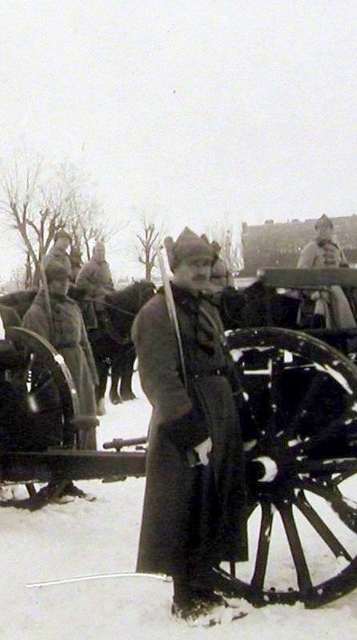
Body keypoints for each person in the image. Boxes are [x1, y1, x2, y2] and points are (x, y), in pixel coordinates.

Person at [132, 228, 249, 624]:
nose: (201, 272)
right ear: (175, 268)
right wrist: (189, 429)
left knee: (213, 500)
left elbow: (224, 362)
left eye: (205, 265)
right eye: (192, 265)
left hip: (219, 411)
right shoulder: (156, 313)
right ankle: (186, 597)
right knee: (186, 503)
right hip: (185, 415)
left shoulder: (207, 309)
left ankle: (204, 584)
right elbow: (159, 378)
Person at [23, 258, 100, 451]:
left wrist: (91, 373)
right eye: (58, 280)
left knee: (85, 412)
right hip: (57, 371)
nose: (64, 284)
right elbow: (40, 350)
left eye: (66, 280)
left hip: (79, 366)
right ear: (47, 283)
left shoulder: (73, 307)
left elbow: (84, 342)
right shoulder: (37, 311)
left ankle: (87, 453)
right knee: (64, 415)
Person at [296, 214, 356, 329]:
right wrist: (311, 289)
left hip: (337, 284)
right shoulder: (311, 247)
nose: (323, 231)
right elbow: (302, 271)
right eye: (319, 228)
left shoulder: (337, 248)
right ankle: (334, 326)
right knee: (331, 293)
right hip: (316, 287)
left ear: (331, 230)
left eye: (326, 228)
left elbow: (344, 267)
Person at [76, 241, 115, 331]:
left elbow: (110, 281)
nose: (101, 253)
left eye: (102, 251)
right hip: (94, 297)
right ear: (94, 252)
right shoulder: (88, 266)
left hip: (108, 294)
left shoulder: (106, 266)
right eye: (98, 251)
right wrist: (96, 289)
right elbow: (80, 282)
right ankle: (96, 328)